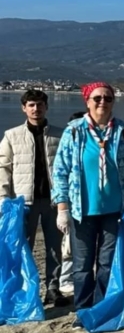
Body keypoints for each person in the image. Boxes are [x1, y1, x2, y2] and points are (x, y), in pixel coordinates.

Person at [52, 82, 124, 326]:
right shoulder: (74, 131)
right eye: (97, 98)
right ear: (87, 101)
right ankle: (83, 310)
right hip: (82, 211)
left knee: (107, 262)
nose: (102, 102)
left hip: (115, 210)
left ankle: (102, 307)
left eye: (108, 98)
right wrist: (62, 208)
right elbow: (60, 171)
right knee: (82, 266)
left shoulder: (123, 131)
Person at [0, 90, 67, 307]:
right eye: (31, 105)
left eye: (39, 104)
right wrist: (3, 197)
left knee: (54, 247)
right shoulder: (12, 135)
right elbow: (3, 168)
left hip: (53, 200)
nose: (35, 109)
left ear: (46, 107)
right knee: (21, 246)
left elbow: (68, 168)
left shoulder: (60, 134)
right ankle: (24, 290)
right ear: (24, 108)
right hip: (23, 201)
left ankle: (53, 289)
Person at [59, 111, 86, 295]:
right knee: (68, 242)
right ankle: (65, 279)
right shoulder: (67, 141)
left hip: (87, 203)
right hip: (69, 201)